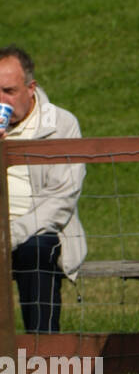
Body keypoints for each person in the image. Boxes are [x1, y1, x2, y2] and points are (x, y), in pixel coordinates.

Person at [1, 46, 85, 334]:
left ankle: (43, 360)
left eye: (8, 91)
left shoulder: (62, 124)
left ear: (30, 88)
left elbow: (61, 199)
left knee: (36, 250)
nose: (0, 100)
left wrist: (11, 235)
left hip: (39, 231)